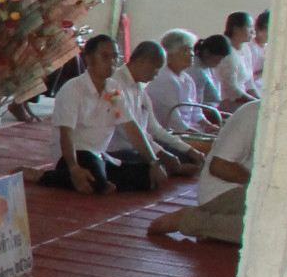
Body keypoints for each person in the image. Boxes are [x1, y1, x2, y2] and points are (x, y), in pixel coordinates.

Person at [41, 34, 165, 194]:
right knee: (97, 180)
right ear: (89, 60)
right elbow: (66, 133)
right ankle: (45, 175)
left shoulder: (113, 89)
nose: (112, 63)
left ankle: (100, 178)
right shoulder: (73, 89)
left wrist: (154, 162)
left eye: (115, 57)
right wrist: (73, 168)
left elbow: (131, 127)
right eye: (105, 57)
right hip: (72, 154)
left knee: (147, 178)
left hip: (100, 155)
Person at [148, 98, 258, 245]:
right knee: (271, 229)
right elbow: (219, 166)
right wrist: (261, 184)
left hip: (253, 191)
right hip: (227, 191)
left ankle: (218, 229)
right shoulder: (253, 113)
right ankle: (193, 221)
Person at [108, 41, 200, 176]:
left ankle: (169, 168)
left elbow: (154, 128)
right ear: (142, 61)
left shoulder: (139, 88)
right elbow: (127, 132)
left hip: (142, 144)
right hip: (119, 148)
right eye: (156, 68)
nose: (156, 74)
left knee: (188, 158)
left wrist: (188, 149)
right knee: (147, 172)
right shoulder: (114, 83)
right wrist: (160, 154)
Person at [193, 32, 252, 113]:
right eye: (219, 59)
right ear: (207, 53)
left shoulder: (208, 66)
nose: (220, 62)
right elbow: (196, 106)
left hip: (213, 111)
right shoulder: (196, 71)